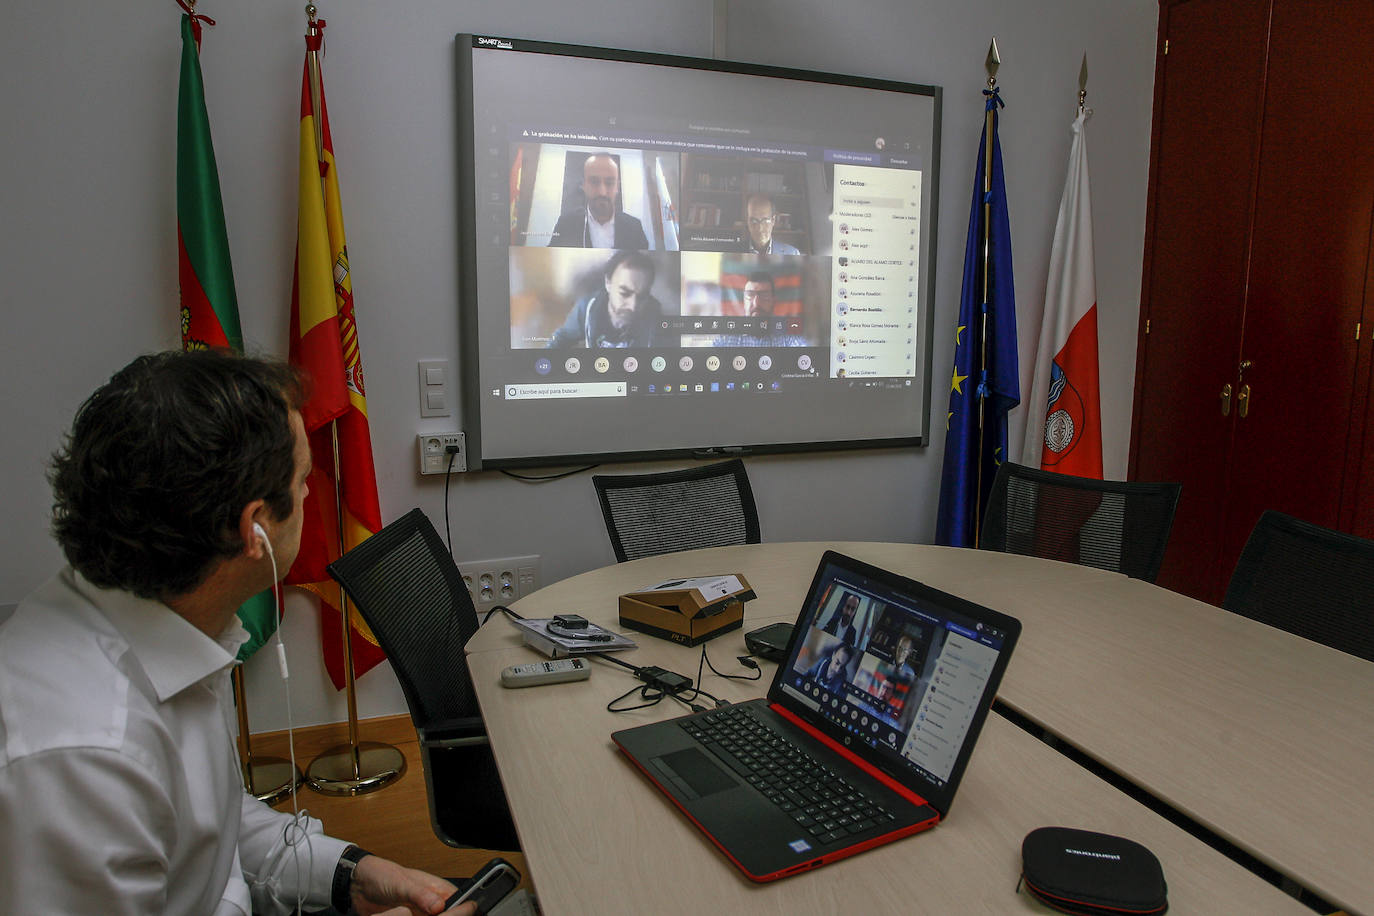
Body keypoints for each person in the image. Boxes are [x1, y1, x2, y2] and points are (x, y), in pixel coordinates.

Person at [0, 349, 474, 916]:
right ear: (257, 531)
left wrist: (353, 875)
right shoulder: (80, 755)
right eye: (303, 479)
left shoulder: (176, 622)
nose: (307, 495)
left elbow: (210, 835)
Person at [547, 250, 662, 348]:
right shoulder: (587, 308)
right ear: (608, 283)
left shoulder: (658, 319)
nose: (633, 306)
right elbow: (562, 338)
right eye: (624, 293)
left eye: (642, 296)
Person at [548, 152, 649, 249]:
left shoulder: (634, 227)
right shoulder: (566, 224)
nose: (602, 192)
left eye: (609, 183)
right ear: (583, 185)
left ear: (617, 187)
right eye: (594, 182)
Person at [712, 273, 809, 348]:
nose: (756, 303)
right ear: (744, 301)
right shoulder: (726, 338)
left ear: (773, 301)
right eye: (750, 295)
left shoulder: (789, 337)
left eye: (764, 295)